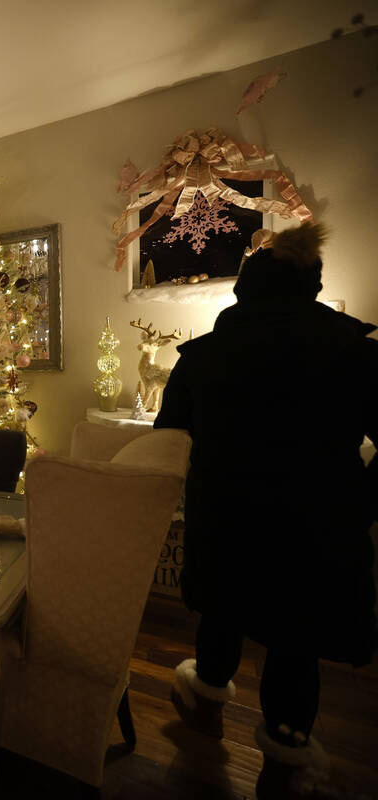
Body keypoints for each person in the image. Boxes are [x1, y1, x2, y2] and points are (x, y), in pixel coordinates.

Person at [155, 222, 378, 799]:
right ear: (311, 285)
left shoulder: (201, 357)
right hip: (317, 528)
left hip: (226, 521)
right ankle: (285, 753)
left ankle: (204, 702)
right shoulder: (355, 351)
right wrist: (362, 502)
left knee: (222, 613)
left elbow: (167, 440)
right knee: (295, 639)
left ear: (244, 290)